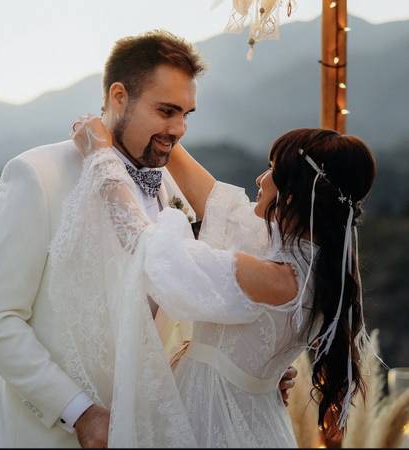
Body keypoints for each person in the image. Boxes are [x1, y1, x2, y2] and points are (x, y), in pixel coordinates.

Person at [0, 30, 295, 448]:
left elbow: (189, 302)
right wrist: (79, 412)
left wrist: (247, 364)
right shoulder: (36, 175)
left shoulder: (172, 192)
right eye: (166, 111)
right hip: (46, 436)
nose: (179, 128)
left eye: (186, 114)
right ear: (119, 97)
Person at [69, 118, 377, 447]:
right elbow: (218, 204)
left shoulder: (276, 278)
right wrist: (162, 129)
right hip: (249, 415)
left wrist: (99, 157)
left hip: (218, 423)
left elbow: (152, 252)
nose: (260, 179)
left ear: (292, 195)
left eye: (272, 169)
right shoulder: (314, 260)